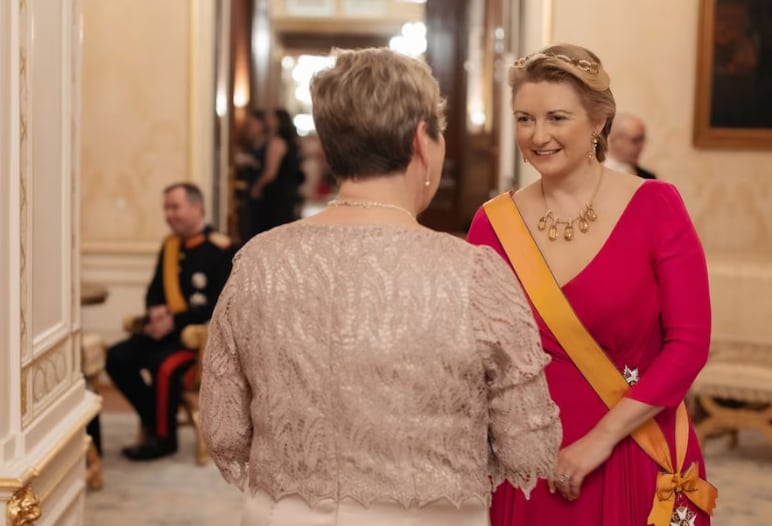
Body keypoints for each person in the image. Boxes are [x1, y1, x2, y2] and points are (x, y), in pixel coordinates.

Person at [200, 47, 561, 526]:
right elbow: (527, 444)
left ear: (331, 147)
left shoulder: (258, 262)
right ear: (420, 140)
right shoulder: (473, 273)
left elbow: (224, 431)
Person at [467, 44, 717, 526]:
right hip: (530, 465)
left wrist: (600, 440)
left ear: (599, 122)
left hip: (633, 449)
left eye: (557, 117)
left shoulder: (655, 205)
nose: (538, 136)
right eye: (524, 119)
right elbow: (478, 358)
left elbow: (689, 344)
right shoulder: (492, 223)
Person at [106, 182, 234, 461]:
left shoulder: (220, 249)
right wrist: (155, 311)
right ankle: (154, 419)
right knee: (116, 357)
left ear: (196, 207)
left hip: (194, 340)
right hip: (163, 332)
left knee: (163, 366)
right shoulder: (170, 246)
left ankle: (165, 440)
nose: (169, 214)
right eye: (166, 207)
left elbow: (217, 307)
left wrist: (174, 321)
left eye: (175, 207)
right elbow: (154, 290)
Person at [249, 108, 305, 232]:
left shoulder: (277, 142)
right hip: (285, 194)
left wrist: (257, 188)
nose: (267, 120)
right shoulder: (288, 142)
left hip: (276, 196)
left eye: (271, 118)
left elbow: (270, 173)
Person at [235, 108, 268, 242]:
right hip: (249, 187)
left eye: (252, 124)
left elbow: (267, 169)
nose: (250, 128)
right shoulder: (250, 143)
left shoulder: (268, 143)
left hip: (262, 193)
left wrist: (257, 188)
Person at [604, 113, 656, 179]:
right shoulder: (595, 173)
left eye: (642, 140)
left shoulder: (648, 178)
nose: (641, 146)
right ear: (615, 139)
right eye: (635, 140)